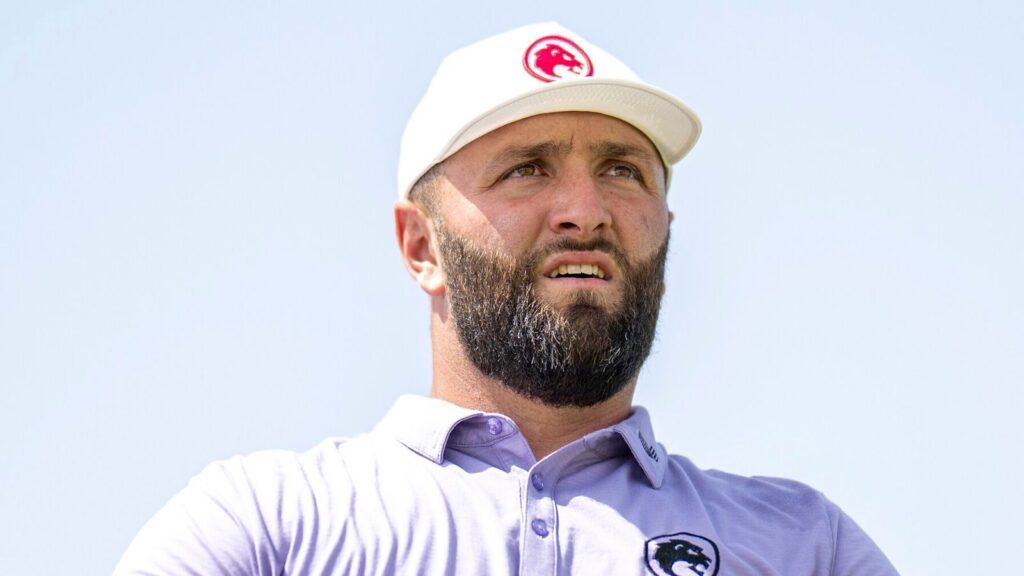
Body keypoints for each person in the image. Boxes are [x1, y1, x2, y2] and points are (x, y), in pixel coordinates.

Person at [115, 22, 899, 575]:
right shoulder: (268, 528)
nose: (585, 210)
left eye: (624, 169)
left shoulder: (804, 548)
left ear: (666, 224)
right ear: (422, 247)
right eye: (527, 168)